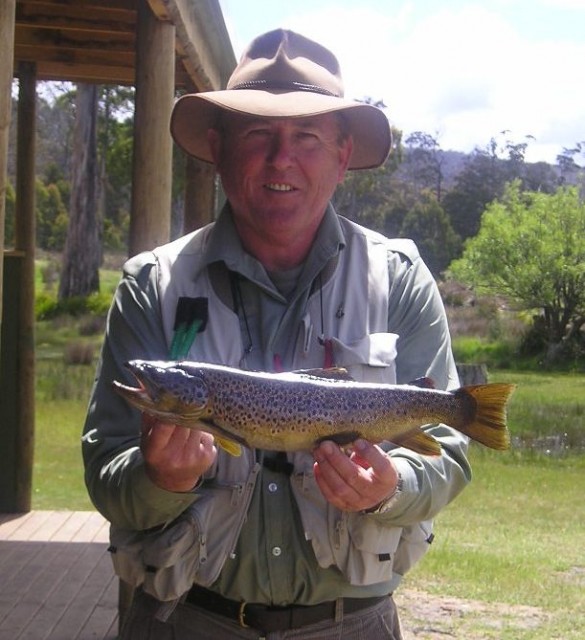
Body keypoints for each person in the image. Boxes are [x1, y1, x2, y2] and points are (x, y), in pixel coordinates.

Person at [82, 28, 471, 640]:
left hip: (352, 624)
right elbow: (108, 478)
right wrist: (161, 481)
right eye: (259, 134)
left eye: (307, 137)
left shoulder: (399, 280)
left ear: (343, 156)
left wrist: (391, 489)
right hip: (182, 619)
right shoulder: (149, 286)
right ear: (218, 147)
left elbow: (448, 455)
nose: (280, 158)